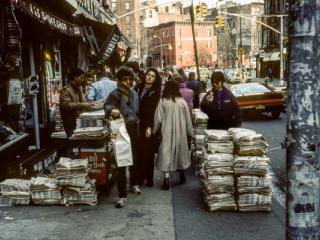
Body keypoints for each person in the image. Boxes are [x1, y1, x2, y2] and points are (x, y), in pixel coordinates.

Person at [104, 65, 141, 208]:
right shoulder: (115, 94)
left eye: (129, 79)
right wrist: (112, 110)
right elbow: (107, 106)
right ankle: (122, 195)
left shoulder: (135, 94)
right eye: (124, 79)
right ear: (119, 80)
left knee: (135, 159)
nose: (127, 82)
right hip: (120, 129)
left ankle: (134, 184)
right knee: (121, 162)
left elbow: (138, 111)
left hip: (133, 128)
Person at [153, 80, 194, 190]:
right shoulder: (182, 102)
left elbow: (158, 119)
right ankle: (182, 174)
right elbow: (188, 120)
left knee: (166, 154)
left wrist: (153, 131)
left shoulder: (162, 101)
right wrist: (191, 133)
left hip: (166, 132)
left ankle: (166, 178)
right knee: (181, 153)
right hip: (181, 133)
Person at [60, 68, 93, 158]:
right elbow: (67, 105)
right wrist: (83, 105)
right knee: (72, 144)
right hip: (70, 123)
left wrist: (90, 105)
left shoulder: (78, 89)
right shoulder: (66, 90)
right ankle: (69, 164)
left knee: (78, 145)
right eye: (81, 77)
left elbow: (84, 102)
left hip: (79, 122)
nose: (83, 80)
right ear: (75, 78)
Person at [137, 67, 162, 187]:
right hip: (139, 123)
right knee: (141, 152)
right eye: (148, 75)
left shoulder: (156, 91)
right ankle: (141, 176)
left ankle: (149, 178)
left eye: (152, 76)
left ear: (155, 79)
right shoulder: (139, 87)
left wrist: (149, 127)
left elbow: (153, 111)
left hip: (148, 125)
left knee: (149, 152)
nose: (149, 77)